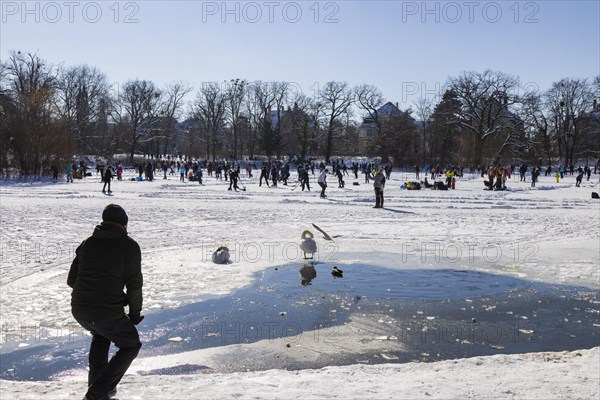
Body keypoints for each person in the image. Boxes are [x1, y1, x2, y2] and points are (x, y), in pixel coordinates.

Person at [67, 204, 143, 400]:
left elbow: (71, 280)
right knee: (131, 345)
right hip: (106, 311)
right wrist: (134, 315)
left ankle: (98, 392)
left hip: (80, 309)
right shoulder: (129, 246)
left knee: (101, 335)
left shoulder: (87, 243)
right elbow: (134, 286)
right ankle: (96, 393)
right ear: (124, 225)